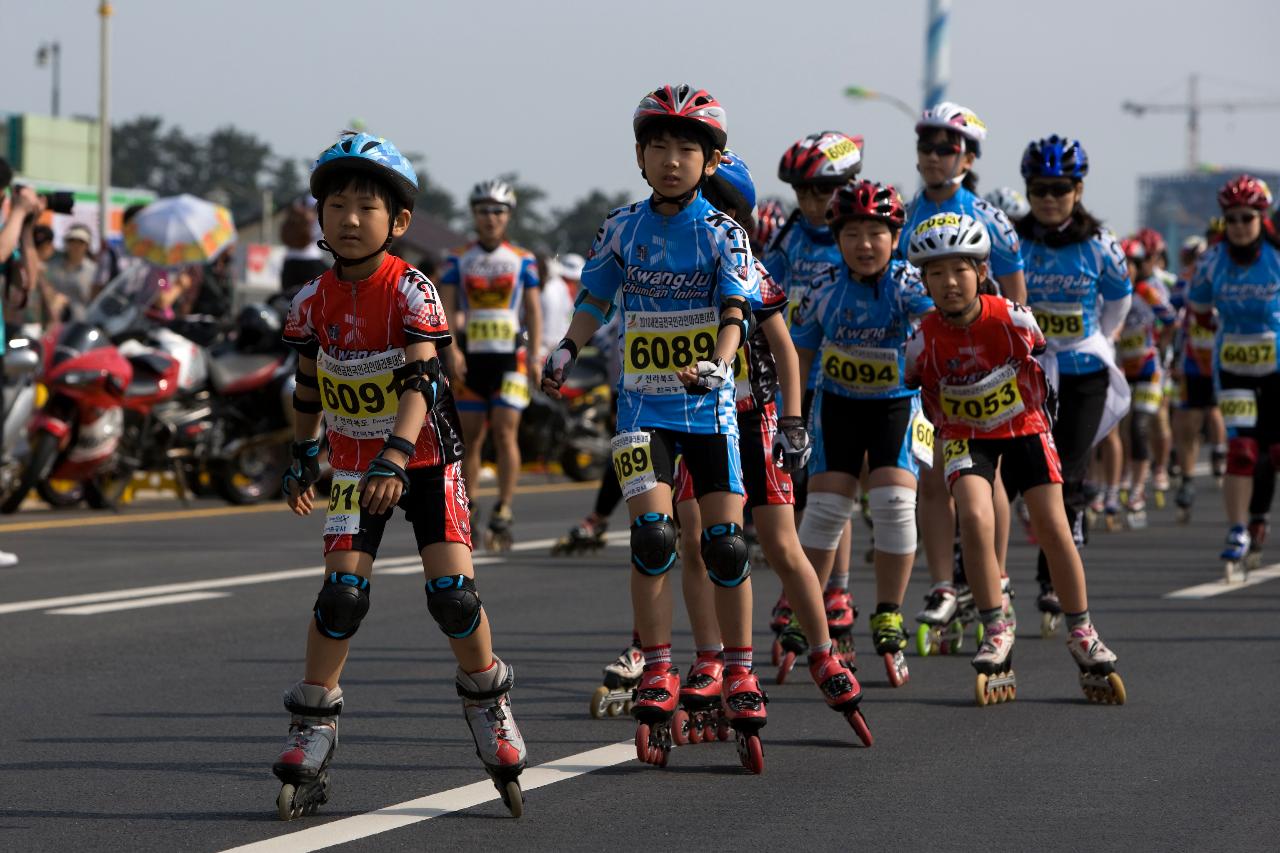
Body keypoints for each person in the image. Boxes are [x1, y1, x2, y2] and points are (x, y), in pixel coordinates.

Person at [275, 132, 527, 820]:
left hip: (422, 458)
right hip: (356, 465)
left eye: (366, 206)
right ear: (319, 215)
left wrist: (394, 454)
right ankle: (313, 722)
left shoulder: (411, 287)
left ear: (399, 221)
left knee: (450, 592)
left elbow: (423, 378)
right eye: (336, 205)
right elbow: (307, 387)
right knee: (341, 595)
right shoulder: (309, 301)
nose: (350, 219)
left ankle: (489, 701)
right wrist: (302, 455)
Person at [542, 83, 768, 772]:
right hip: (642, 405)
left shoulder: (724, 232)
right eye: (659, 147)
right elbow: (593, 299)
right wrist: (567, 347)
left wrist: (721, 364)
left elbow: (736, 311)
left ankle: (739, 668)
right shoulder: (622, 228)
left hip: (707, 406)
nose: (672, 160)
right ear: (640, 156)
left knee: (725, 546)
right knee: (652, 535)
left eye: (686, 148)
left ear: (711, 160)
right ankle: (661, 665)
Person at [669, 153, 870, 743]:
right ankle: (711, 658)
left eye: (713, 207)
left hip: (753, 421)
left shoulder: (748, 269)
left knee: (781, 542)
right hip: (694, 422)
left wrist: (794, 420)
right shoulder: (662, 271)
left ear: (736, 217)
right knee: (694, 541)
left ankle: (825, 652)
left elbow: (786, 351)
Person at [905, 212, 1125, 706]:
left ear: (982, 271)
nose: (948, 283)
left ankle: (1083, 630)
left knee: (1053, 524)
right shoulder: (922, 339)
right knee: (977, 519)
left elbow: (1044, 359)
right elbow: (917, 385)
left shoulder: (1013, 318)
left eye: (958, 270)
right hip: (964, 435)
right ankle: (995, 626)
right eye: (934, 274)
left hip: (1024, 427)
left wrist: (1041, 415)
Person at [791, 179, 932, 685]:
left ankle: (889, 612)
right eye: (852, 233)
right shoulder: (824, 288)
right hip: (839, 407)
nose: (865, 244)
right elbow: (800, 355)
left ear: (896, 237)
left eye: (876, 232)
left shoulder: (910, 283)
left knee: (895, 505)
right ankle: (802, 607)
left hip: (896, 406)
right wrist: (792, 418)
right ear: (837, 237)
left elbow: (939, 327)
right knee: (826, 510)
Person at [903, 103, 1021, 641]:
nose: (932, 157)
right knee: (930, 470)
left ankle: (992, 576)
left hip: (985, 368)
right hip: (928, 360)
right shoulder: (905, 211)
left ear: (968, 156)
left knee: (984, 473)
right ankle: (943, 583)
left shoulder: (990, 216)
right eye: (925, 147)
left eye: (945, 148)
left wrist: (1015, 358)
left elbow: (1015, 296)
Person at [1016, 135, 1131, 632]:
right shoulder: (1014, 239)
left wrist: (1099, 340)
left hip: (1084, 371)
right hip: (1032, 371)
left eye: (1059, 188)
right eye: (1039, 188)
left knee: (1068, 475)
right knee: (1034, 478)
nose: (1048, 198)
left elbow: (1118, 302)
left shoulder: (1100, 244)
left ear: (1078, 190)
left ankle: (1051, 580)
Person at [769, 130, 864, 650]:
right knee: (806, 491)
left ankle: (838, 589)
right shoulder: (791, 239)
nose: (813, 202)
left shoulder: (863, 237)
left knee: (837, 486)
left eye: (824, 190)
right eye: (804, 192)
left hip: (851, 380)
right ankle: (811, 580)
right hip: (805, 376)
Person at [439, 180, 542, 551]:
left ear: (508, 216)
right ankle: (471, 503)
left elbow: (532, 308)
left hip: (510, 359)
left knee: (504, 431)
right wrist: (451, 351)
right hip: (472, 358)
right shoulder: (456, 258)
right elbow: (447, 310)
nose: (490, 218)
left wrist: (535, 354)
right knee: (471, 438)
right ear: (474, 215)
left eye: (498, 211)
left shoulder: (522, 258)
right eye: (483, 211)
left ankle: (504, 506)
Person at [1187, 175, 1280, 581]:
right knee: (1242, 449)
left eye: (1247, 217)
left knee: (1272, 453)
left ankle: (1259, 515)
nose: (1239, 226)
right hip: (1233, 365)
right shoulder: (1211, 262)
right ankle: (1238, 528)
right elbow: (1200, 310)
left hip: (1277, 367)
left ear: (1262, 217)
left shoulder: (1276, 256)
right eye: (1232, 219)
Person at [1116, 236, 1176, 528]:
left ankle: (1139, 487)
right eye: (1121, 264)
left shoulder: (1148, 291)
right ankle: (1126, 474)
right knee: (1125, 428)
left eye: (1130, 264)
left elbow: (1172, 320)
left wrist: (1163, 349)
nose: (1125, 269)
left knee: (1141, 424)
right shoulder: (1112, 293)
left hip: (1150, 368)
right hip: (1122, 369)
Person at [1170, 232, 1227, 523]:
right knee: (1189, 420)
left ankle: (1219, 451)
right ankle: (1188, 479)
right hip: (1194, 358)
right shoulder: (1189, 275)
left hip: (1222, 356)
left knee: (1214, 409)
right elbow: (1173, 306)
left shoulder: (1230, 269)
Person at [44, 223, 98, 322]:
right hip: (54, 322)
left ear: (87, 245)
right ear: (66, 243)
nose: (76, 245)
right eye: (72, 241)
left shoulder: (94, 271)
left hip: (81, 323)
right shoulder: (52, 266)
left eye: (81, 242)